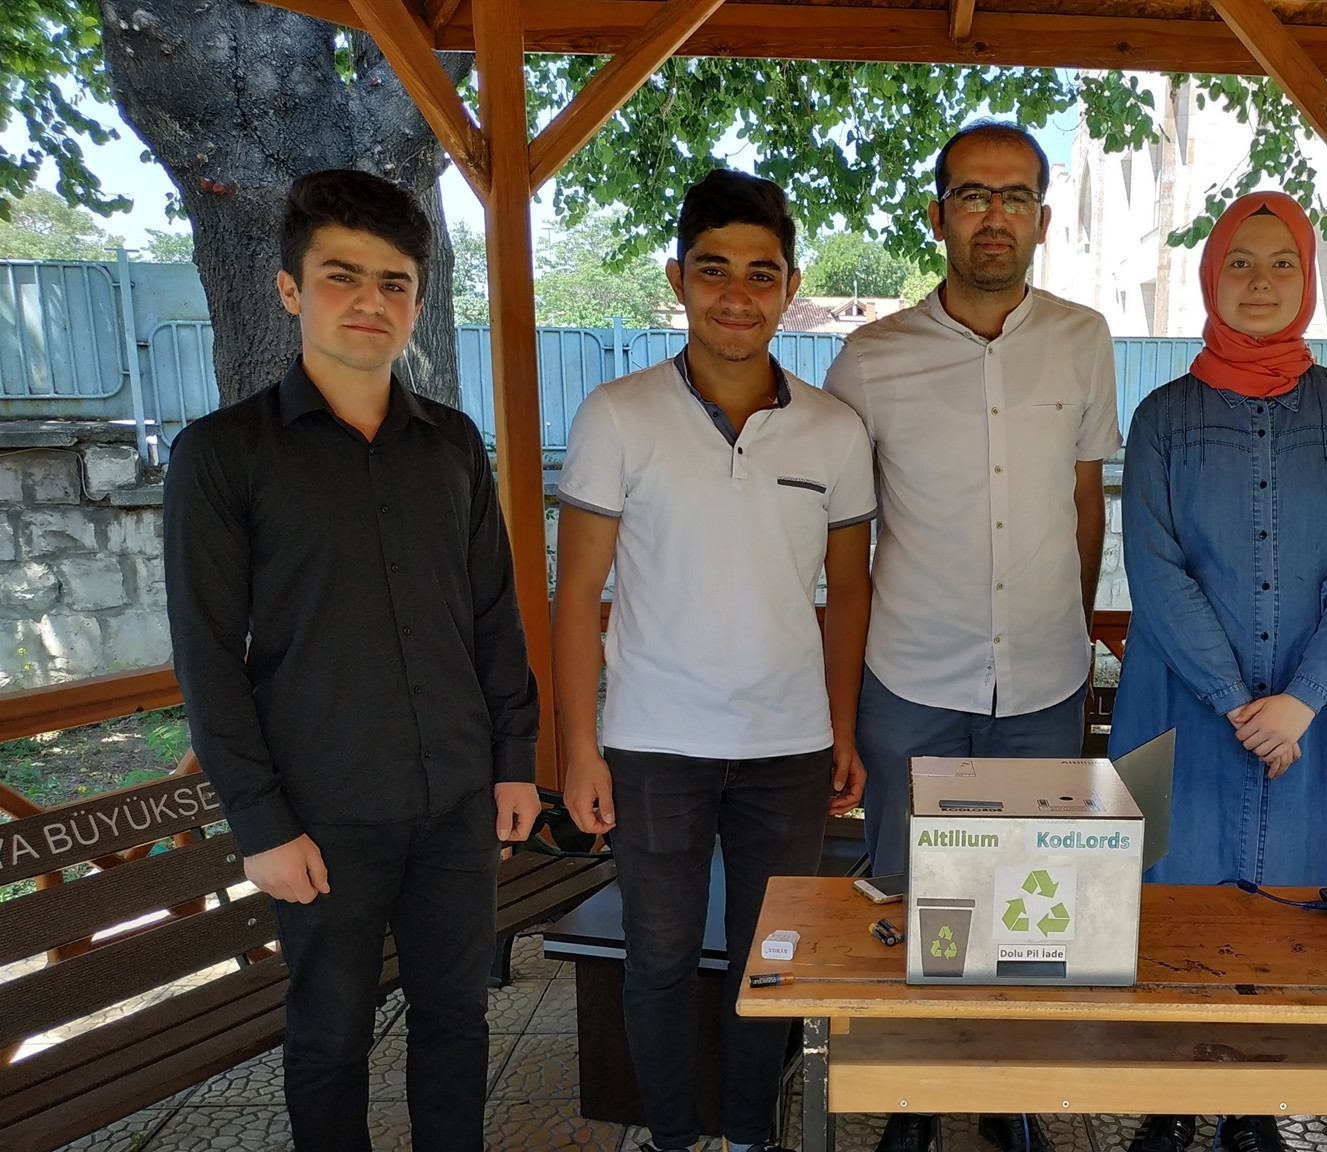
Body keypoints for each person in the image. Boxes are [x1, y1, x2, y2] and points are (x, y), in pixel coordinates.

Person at [163, 169, 541, 1152]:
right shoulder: (223, 455)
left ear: (416, 299)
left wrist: (513, 763)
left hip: (456, 801)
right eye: (342, 275)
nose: (370, 301)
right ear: (290, 289)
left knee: (456, 1019)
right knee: (329, 1038)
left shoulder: (452, 445)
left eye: (394, 281)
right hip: (320, 816)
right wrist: (260, 823)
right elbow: (206, 654)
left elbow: (493, 618)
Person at [556, 169, 875, 1152]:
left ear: (790, 287)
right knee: (656, 960)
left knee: (768, 959)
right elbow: (576, 595)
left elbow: (849, 592)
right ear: (676, 279)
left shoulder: (834, 429)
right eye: (712, 270)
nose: (736, 295)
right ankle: (667, 1136)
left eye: (760, 273)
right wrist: (579, 749)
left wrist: (843, 730)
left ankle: (747, 1135)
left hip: (788, 747)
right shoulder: (617, 414)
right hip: (653, 745)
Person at [823, 120, 1121, 1152]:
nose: (994, 215)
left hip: (1041, 679)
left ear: (1042, 217)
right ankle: (910, 1095)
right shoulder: (870, 360)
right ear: (936, 214)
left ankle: (1005, 1088)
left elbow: (1084, 503)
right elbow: (844, 539)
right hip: (910, 677)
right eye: (972, 195)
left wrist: (1071, 629)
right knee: (912, 897)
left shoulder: (1082, 339)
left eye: (1014, 196)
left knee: (1023, 899)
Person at [1107, 191, 1327, 1152]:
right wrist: (1241, 704)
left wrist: (1299, 702)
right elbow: (1155, 569)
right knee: (1172, 899)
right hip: (1181, 703)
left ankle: (1254, 1101)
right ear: (1209, 273)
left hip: (1310, 709)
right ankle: (1171, 1097)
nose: (1259, 281)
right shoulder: (1162, 417)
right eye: (1240, 260)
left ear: (1307, 278)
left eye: (1281, 263)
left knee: (1289, 908)